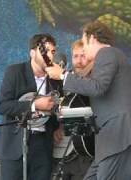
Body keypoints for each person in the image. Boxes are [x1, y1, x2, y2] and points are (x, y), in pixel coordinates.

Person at [46, 21, 131, 180]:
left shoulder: (106, 53)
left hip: (118, 136)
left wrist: (63, 75)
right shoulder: (112, 57)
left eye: (84, 43)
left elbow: (97, 87)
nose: (83, 48)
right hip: (114, 139)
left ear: (93, 38)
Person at [0, 33, 63, 180]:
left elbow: (58, 109)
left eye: (52, 51)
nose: (49, 55)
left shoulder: (56, 79)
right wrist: (34, 104)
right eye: (44, 51)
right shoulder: (14, 71)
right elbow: (3, 106)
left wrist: (59, 125)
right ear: (32, 53)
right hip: (15, 144)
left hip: (43, 145)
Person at [52, 39, 93, 180]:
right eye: (75, 56)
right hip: (61, 151)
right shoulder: (61, 81)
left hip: (86, 152)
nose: (79, 61)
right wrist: (56, 127)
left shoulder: (96, 82)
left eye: (83, 56)